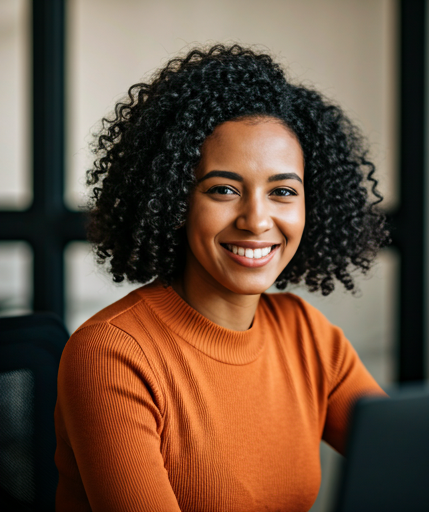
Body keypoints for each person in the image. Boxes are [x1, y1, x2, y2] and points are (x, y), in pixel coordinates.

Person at [54, 44, 389, 512]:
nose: (256, 220)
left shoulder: (306, 335)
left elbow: (413, 462)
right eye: (224, 190)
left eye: (283, 191)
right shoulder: (112, 353)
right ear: (174, 200)